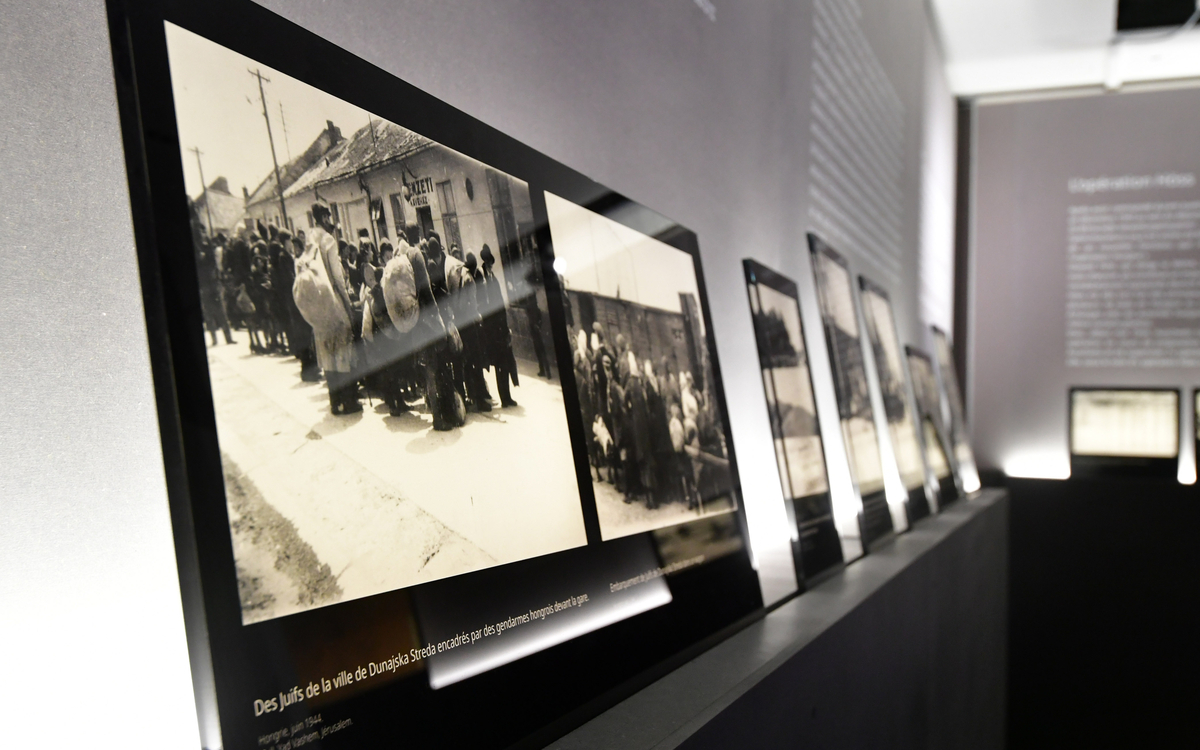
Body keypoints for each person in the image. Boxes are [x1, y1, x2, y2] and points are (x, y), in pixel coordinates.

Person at [294, 203, 360, 415]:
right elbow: (338, 278)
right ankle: (349, 401)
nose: (331, 220)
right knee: (343, 348)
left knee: (327, 352)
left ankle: (335, 402)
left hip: (317, 304)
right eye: (329, 216)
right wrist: (347, 305)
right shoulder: (328, 240)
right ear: (323, 217)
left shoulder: (310, 239)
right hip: (333, 300)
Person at [479, 245, 518, 408]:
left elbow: (500, 303)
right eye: (488, 262)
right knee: (499, 364)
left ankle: (507, 397)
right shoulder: (482, 279)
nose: (490, 265)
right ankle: (504, 398)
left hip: (499, 327)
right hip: (491, 329)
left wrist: (506, 325)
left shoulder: (492, 278)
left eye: (491, 262)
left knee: (505, 362)